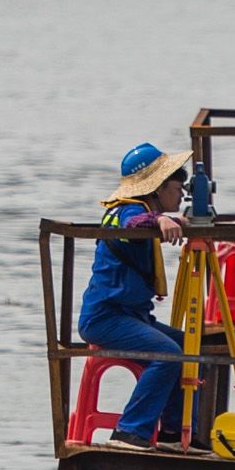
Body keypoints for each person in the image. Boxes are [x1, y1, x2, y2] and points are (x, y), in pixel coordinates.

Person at [81, 141, 194, 451]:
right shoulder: (129, 211)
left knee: (187, 345)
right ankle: (129, 432)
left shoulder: (139, 209)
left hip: (131, 317)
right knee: (168, 355)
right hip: (106, 318)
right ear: (156, 187)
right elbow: (133, 225)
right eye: (176, 186)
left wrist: (171, 219)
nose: (181, 193)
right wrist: (159, 220)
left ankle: (173, 431)